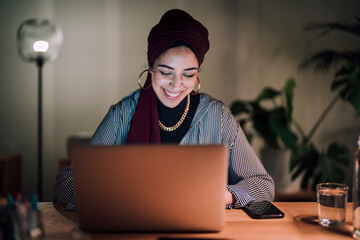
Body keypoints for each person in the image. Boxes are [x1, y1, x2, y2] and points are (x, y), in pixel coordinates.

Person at [53, 9, 274, 211]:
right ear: (150, 69)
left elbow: (263, 185)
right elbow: (66, 183)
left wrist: (226, 196)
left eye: (188, 74)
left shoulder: (218, 117)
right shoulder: (122, 115)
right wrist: (113, 194)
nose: (176, 84)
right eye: (166, 72)